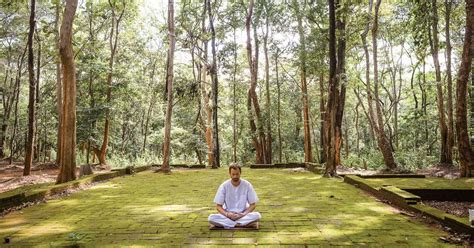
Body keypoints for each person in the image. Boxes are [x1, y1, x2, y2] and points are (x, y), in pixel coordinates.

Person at [208, 163, 261, 229]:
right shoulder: (224, 186)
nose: (235, 176)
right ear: (229, 174)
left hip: (242, 215)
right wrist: (227, 214)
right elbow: (218, 206)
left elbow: (253, 205)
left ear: (240, 173)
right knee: (211, 218)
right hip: (228, 215)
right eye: (233, 174)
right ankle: (241, 224)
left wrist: (243, 214)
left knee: (257, 216)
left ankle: (228, 224)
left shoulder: (247, 185)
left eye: (237, 174)